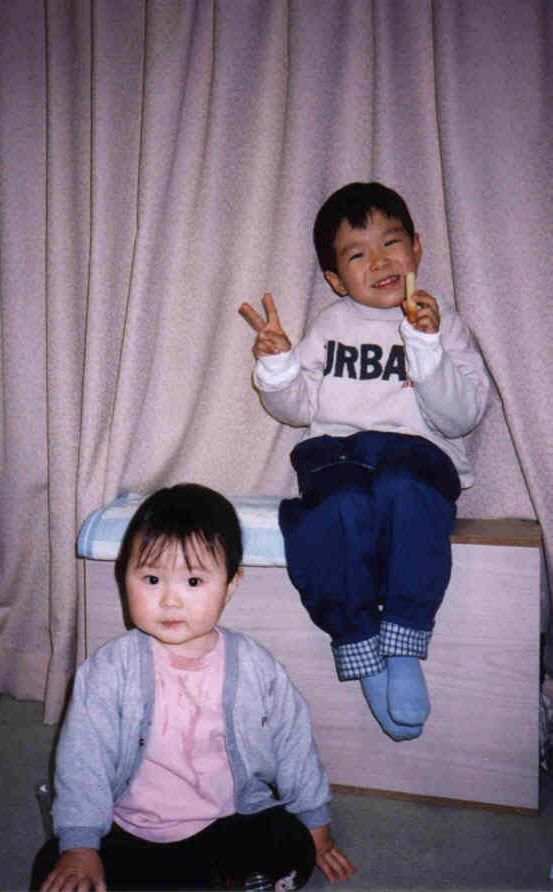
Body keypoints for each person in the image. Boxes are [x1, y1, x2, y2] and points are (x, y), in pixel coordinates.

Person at [239, 181, 490, 742]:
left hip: (417, 454)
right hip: (338, 453)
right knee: (335, 511)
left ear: (417, 248)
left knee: (405, 491)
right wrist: (279, 366)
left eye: (391, 243)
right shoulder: (330, 325)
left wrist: (426, 348)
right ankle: (360, 646)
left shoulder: (444, 323)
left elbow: (463, 416)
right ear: (335, 279)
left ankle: (403, 641)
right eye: (357, 254)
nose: (379, 262)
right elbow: (298, 408)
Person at [31, 484, 355, 891]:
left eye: (194, 581)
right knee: (54, 866)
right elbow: (83, 760)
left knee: (291, 844)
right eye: (152, 579)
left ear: (230, 585)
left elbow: (295, 746)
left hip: (227, 822)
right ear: (124, 577)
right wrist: (80, 844)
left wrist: (317, 826)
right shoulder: (108, 671)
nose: (170, 600)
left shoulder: (257, 667)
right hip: (130, 830)